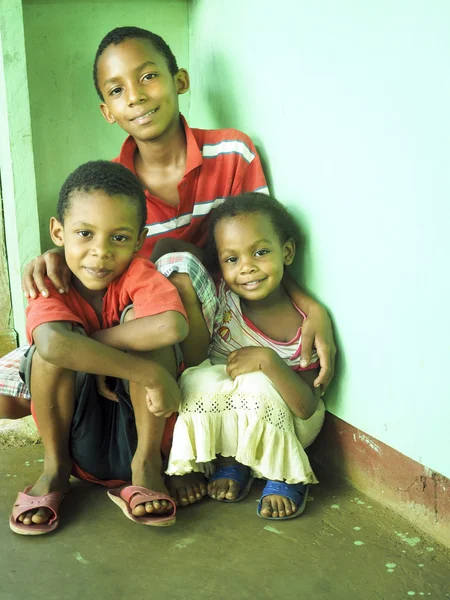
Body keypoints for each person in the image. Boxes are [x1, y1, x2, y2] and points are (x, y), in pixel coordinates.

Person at [0, 26, 336, 508]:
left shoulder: (233, 152)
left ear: (179, 80)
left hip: (196, 318)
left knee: (174, 259)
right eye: (117, 90)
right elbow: (100, 262)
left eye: (148, 77)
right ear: (107, 111)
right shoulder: (113, 190)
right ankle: (75, 441)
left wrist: (310, 306)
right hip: (132, 321)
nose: (135, 97)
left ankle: (177, 437)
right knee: (23, 373)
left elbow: (264, 242)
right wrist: (59, 261)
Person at [10, 160, 189, 535]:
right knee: (45, 354)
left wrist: (89, 350)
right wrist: (149, 373)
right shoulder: (49, 284)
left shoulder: (138, 275)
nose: (100, 252)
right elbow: (54, 344)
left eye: (119, 238)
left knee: (142, 328)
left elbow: (171, 325)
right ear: (58, 232)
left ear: (140, 240)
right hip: (77, 438)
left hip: (137, 433)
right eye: (85, 233)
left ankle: (146, 469)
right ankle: (54, 471)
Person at [166, 192, 326, 520]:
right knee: (199, 376)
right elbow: (164, 251)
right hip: (238, 411)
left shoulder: (304, 327)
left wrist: (269, 361)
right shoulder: (225, 297)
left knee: (255, 381)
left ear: (288, 252)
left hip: (293, 422)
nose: (247, 268)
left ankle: (282, 473)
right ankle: (231, 459)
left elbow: (308, 408)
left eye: (261, 252)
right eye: (232, 259)